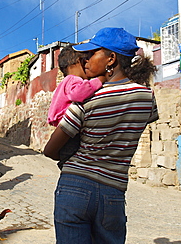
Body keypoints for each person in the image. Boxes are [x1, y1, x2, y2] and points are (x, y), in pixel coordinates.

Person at [44, 27, 159, 244]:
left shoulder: (86, 99)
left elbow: (50, 150)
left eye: (91, 54)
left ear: (111, 58)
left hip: (75, 189)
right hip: (113, 193)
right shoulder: (147, 97)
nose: (85, 60)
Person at [47, 44, 104, 169]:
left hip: (64, 126)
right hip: (71, 128)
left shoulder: (66, 81)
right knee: (72, 155)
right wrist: (99, 80)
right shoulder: (74, 79)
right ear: (80, 62)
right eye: (87, 61)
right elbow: (77, 95)